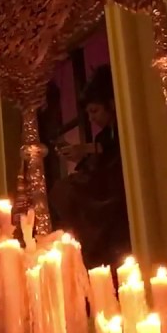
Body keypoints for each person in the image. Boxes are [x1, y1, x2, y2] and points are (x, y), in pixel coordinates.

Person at [49, 65, 130, 269]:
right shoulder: (102, 135)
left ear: (111, 104)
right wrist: (81, 156)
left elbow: (116, 153)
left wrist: (89, 149)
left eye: (95, 111)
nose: (92, 118)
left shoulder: (126, 127)